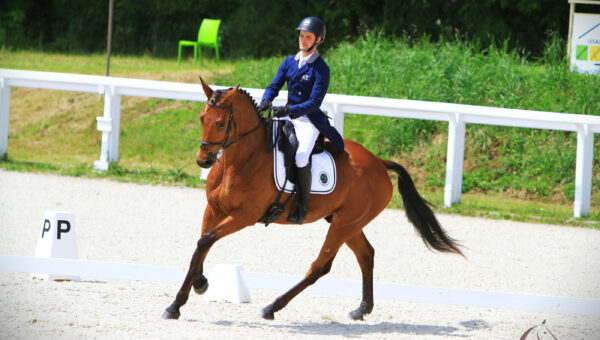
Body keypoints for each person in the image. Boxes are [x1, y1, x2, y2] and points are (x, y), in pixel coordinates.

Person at [257, 16, 344, 224]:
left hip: (308, 120)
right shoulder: (289, 61)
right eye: (301, 36)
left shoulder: (321, 69)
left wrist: (288, 109)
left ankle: (302, 206)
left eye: (308, 37)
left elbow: (314, 102)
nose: (303, 40)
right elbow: (274, 85)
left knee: (301, 156)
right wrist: (266, 100)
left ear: (318, 40)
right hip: (286, 117)